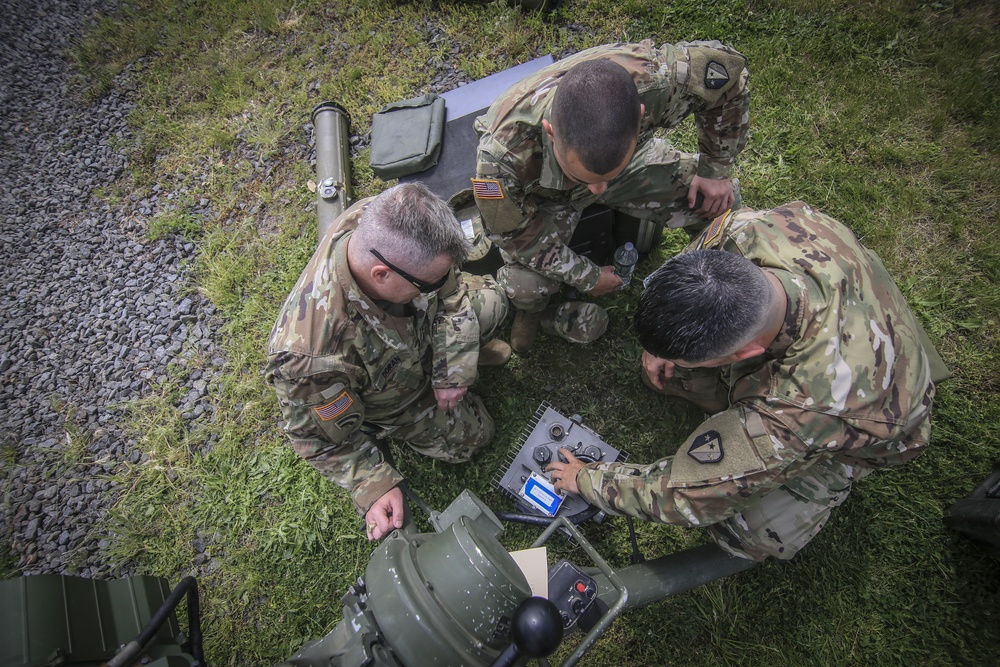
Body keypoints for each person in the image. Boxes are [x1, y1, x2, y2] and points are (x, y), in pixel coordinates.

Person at [546, 202, 937, 561]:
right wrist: (660, 349)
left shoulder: (801, 410)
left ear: (747, 353)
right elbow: (696, 256)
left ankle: (827, 482)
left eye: (689, 360)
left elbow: (685, 495)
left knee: (742, 533)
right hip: (851, 298)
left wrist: (587, 479)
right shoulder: (751, 229)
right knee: (670, 379)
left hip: (872, 421)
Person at [265, 183, 511, 541]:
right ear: (381, 274)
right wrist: (372, 483)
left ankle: (464, 357)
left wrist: (454, 365)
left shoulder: (385, 218)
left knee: (493, 300)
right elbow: (315, 439)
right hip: (397, 398)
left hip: (421, 335)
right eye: (428, 284)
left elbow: (451, 291)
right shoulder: (311, 359)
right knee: (475, 437)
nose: (439, 284)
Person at [472, 39, 750, 352]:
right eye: (584, 178)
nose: (598, 191)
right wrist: (587, 276)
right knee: (526, 286)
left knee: (718, 206)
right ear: (550, 132)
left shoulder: (656, 80)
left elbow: (730, 77)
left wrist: (715, 169)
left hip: (632, 167)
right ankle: (536, 311)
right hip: (548, 197)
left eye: (605, 179)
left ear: (641, 115)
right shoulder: (500, 159)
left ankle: (713, 288)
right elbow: (514, 235)